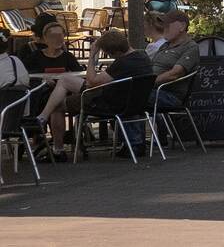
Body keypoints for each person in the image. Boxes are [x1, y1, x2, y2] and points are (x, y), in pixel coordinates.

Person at [27, 30, 147, 161]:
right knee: (65, 79)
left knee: (57, 105)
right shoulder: (142, 56)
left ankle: (58, 150)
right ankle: (43, 117)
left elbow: (91, 82)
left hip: (108, 103)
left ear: (115, 52)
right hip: (133, 101)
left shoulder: (122, 63)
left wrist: (92, 56)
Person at [150, 10, 200, 110]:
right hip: (154, 91)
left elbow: (175, 74)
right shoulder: (165, 45)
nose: (164, 28)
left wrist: (148, 83)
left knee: (132, 97)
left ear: (182, 26)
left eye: (168, 25)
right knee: (119, 94)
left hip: (169, 95)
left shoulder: (190, 47)